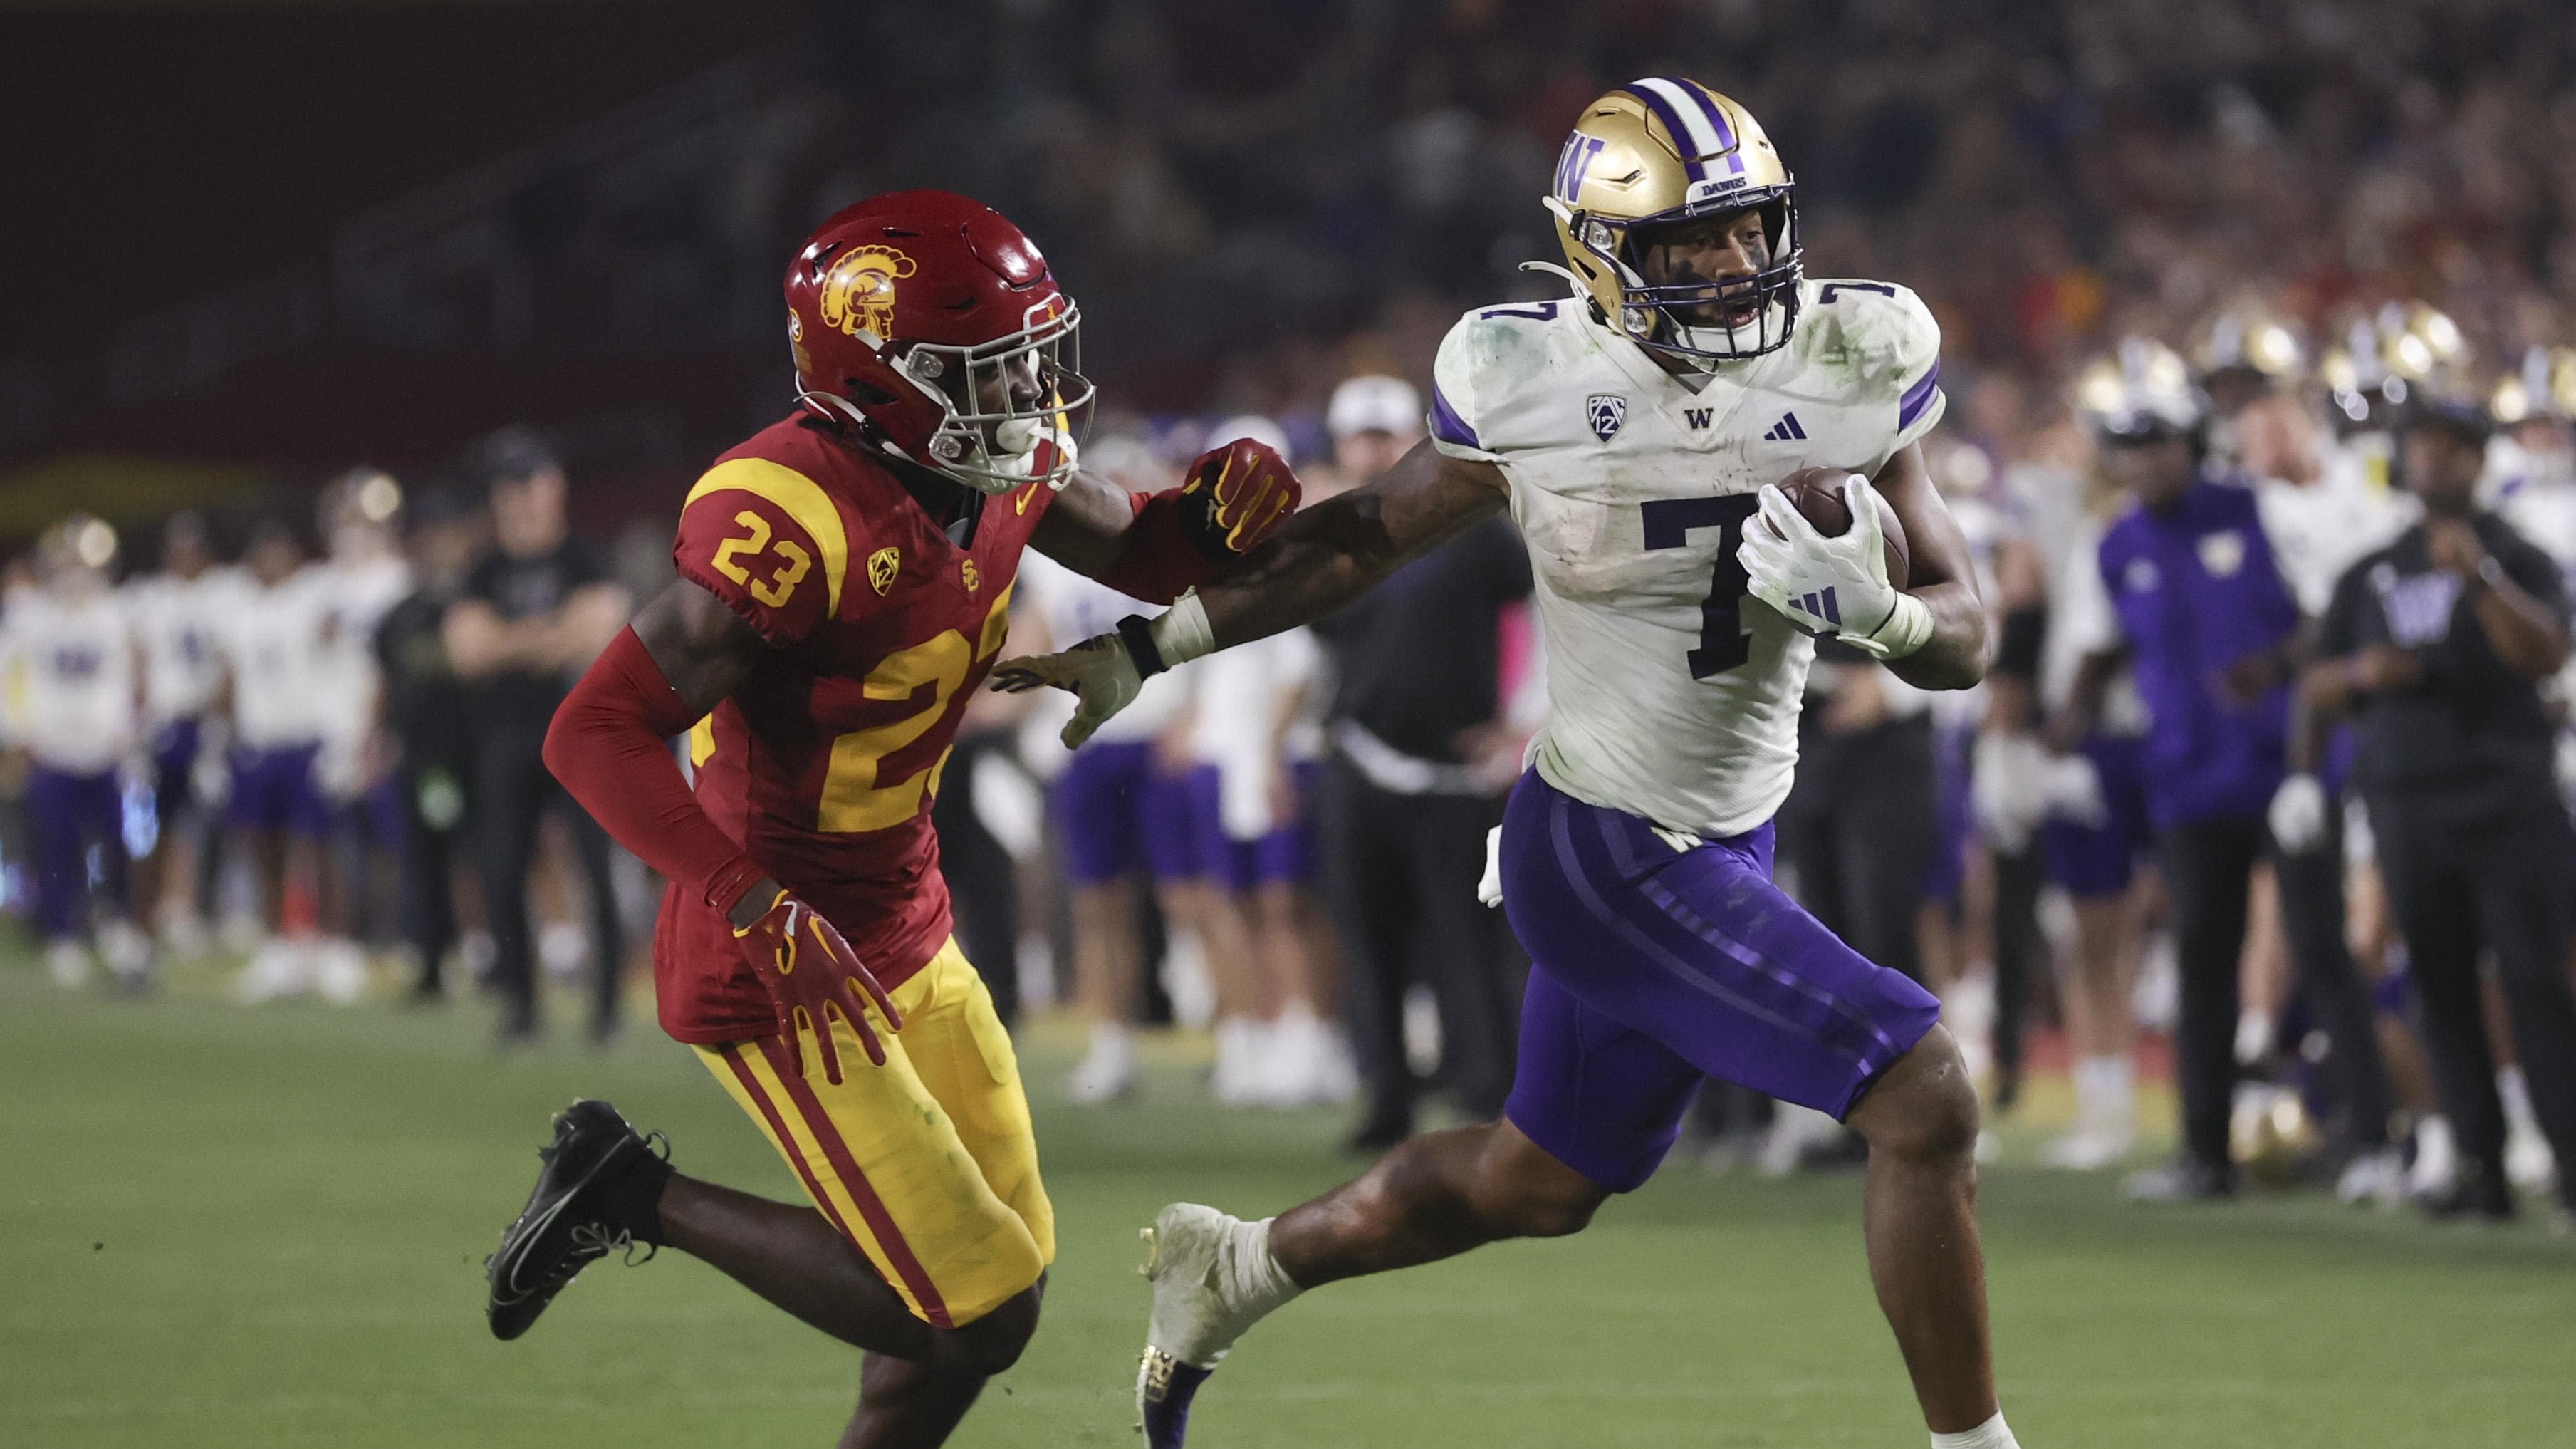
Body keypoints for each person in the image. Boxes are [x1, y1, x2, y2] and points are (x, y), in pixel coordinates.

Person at [1001, 80, 2021, 1449]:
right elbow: (1360, 534)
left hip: (1726, 833)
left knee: (1536, 1181)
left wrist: (1885, 617)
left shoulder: (1851, 352)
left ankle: (1236, 1264)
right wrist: (1150, 644)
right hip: (1601, 843)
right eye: (1688, 244)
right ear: (1600, 254)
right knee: (1924, 1092)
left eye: (1746, 232)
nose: (1729, 269)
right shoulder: (1532, 377)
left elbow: (1966, 633)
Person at [481, 189, 1299, 1447]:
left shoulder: (995, 459)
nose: (1030, 386)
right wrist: (753, 900)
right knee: (977, 1309)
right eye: (990, 365)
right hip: (776, 953)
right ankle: (629, 1188)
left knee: (1004, 1271)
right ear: (884, 379)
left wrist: (1210, 515)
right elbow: (589, 729)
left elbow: (1141, 551)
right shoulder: (787, 513)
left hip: (905, 917)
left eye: (1031, 350)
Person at [2297, 385, 2576, 1222]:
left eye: (2451, 446)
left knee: (2535, 981)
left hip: (2507, 796)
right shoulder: (2368, 569)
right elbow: (2312, 680)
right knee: (2439, 986)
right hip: (2405, 802)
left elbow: (2545, 655)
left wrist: (2480, 579)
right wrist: (2356, 676)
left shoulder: (2517, 554)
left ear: (2479, 461)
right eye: (2422, 444)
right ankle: (2478, 1166)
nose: (2433, 458)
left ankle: (2567, 1164)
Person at [1308, 373, 1535, 1148]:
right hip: (1360, 759)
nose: (1371, 449)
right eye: (1358, 436)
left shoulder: (1472, 524)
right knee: (1367, 941)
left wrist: (1522, 719)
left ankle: (1484, 1094)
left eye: (1384, 434)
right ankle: (1387, 1100)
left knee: (1462, 939)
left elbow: (1548, 606)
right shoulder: (1332, 532)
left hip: (1453, 772)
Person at [443, 427, 632, 1044]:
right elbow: (466, 652)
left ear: (555, 488)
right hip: (504, 737)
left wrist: (509, 639)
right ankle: (521, 1010)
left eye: (527, 482)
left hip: (580, 736)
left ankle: (605, 1014)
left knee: (595, 872)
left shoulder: (585, 556)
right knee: (502, 870)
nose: (516, 498)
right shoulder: (483, 569)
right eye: (507, 486)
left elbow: (598, 632)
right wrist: (550, 635)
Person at [1, 516, 150, 988]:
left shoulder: (117, 614)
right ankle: (62, 934)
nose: (75, 573)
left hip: (103, 748)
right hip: (52, 746)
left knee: (115, 842)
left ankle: (114, 923)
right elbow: (11, 677)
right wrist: (17, 735)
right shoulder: (30, 615)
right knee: (56, 845)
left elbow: (134, 679)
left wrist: (128, 731)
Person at [218, 519, 359, 1004]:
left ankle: (333, 946)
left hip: (306, 739)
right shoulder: (240, 608)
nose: (272, 563)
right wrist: (223, 738)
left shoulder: (314, 596)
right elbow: (231, 677)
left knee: (320, 847)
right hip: (259, 741)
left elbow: (342, 658)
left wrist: (343, 735)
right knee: (263, 847)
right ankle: (280, 946)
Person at [372, 487, 484, 1001]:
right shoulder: (402, 614)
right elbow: (384, 682)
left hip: (480, 752)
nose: (442, 546)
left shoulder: (482, 603)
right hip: (425, 758)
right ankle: (434, 961)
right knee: (429, 857)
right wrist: (377, 737)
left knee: (486, 857)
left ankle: (497, 958)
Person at [121, 511, 238, 957]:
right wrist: (137, 722)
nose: (185, 557)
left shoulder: (226, 594)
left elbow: (231, 664)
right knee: (152, 828)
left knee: (218, 827)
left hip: (207, 725)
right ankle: (146, 918)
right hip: (164, 726)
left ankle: (204, 912)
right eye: (179, 549)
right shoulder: (150, 597)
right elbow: (138, 661)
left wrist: (221, 723)